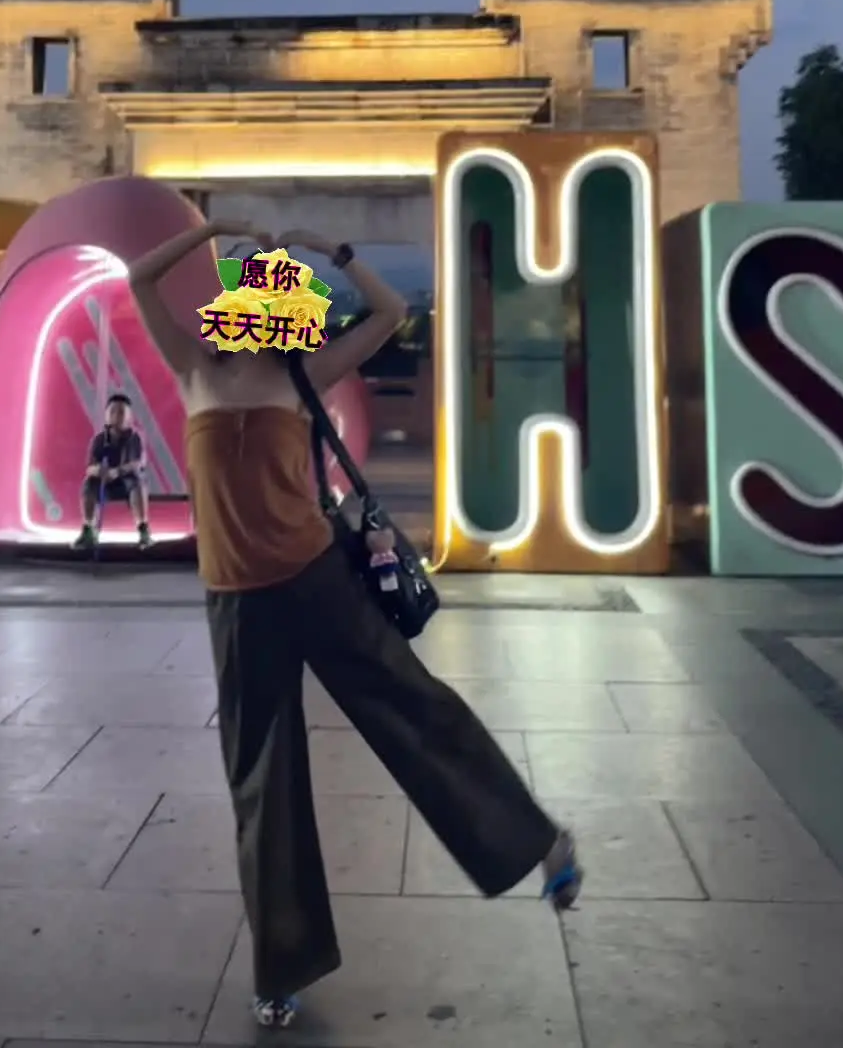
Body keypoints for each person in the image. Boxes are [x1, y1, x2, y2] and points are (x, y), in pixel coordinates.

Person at [128, 216, 581, 1031]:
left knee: (414, 707)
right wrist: (213, 229)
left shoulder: (306, 373)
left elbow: (390, 313)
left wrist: (333, 253)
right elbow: (140, 278)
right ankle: (281, 968)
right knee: (263, 785)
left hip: (315, 577)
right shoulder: (194, 367)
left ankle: (539, 841)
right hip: (236, 599)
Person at [71, 393, 152, 554]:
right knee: (89, 483)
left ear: (129, 417)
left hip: (127, 482)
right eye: (113, 411)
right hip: (105, 481)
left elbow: (138, 463)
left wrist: (118, 471)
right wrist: (98, 471)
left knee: (137, 482)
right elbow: (90, 466)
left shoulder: (135, 438)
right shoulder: (99, 439)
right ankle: (88, 528)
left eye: (121, 412)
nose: (116, 416)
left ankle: (143, 529)